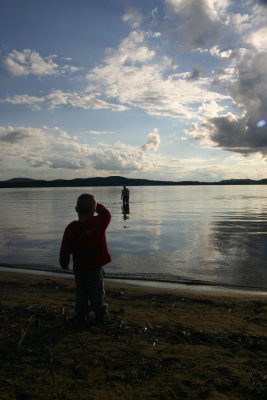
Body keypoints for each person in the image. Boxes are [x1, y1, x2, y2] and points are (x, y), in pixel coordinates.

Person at [59, 193, 111, 325]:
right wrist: (96, 205)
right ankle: (101, 314)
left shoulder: (71, 228)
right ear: (94, 210)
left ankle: (81, 315)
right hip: (95, 268)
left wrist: (64, 261)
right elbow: (107, 215)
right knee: (97, 292)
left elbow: (65, 247)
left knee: (81, 293)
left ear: (76, 209)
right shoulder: (99, 223)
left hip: (80, 268)